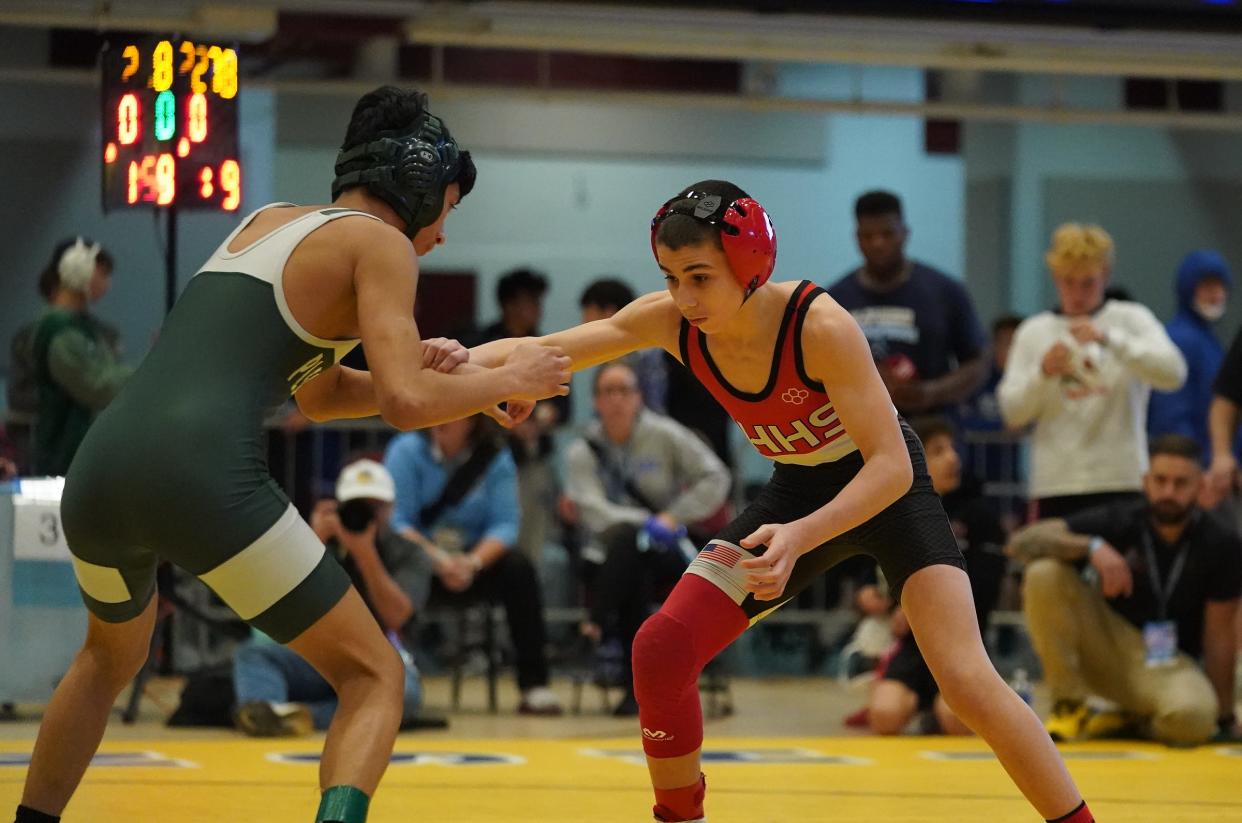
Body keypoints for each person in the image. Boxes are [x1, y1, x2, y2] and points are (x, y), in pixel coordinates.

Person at [13, 86, 571, 823]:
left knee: (106, 659)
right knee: (374, 675)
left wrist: (431, 373)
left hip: (102, 468)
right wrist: (504, 379)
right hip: (203, 476)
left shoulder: (265, 220)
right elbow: (406, 404)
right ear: (418, 185)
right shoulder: (385, 246)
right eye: (449, 208)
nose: (441, 235)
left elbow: (319, 394)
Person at [470, 180, 1095, 823]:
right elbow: (546, 350)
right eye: (671, 277)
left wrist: (801, 535)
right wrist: (452, 362)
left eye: (699, 277)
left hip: (887, 491)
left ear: (749, 266)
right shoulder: (671, 320)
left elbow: (889, 467)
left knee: (966, 681)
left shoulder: (820, 326)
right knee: (660, 651)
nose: (684, 298)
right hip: (798, 488)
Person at [1007, 434, 1241, 746]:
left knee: (1193, 719)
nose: (1168, 492)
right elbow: (1021, 542)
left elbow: (1219, 636)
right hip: (1106, 643)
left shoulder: (1221, 542)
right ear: (1146, 482)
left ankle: (1130, 719)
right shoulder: (1120, 519)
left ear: (1200, 486)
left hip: (1169, 663)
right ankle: (1069, 702)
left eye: (1181, 483)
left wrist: (1223, 717)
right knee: (1044, 572)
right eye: (1160, 480)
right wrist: (1091, 546)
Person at [567, 360, 731, 716]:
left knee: (634, 557)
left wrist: (676, 516)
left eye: (624, 390)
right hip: (605, 554)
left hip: (666, 548)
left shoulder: (665, 434)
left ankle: (596, 625)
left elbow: (716, 477)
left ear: (639, 397)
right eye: (607, 392)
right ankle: (642, 690)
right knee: (629, 557)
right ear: (595, 401)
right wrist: (646, 520)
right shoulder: (582, 450)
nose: (616, 400)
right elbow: (594, 512)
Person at [998, 223, 1186, 520]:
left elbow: (1174, 374)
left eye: (1088, 283)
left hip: (1121, 478)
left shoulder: (1131, 319)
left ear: (1106, 275)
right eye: (1067, 282)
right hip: (1056, 483)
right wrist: (1043, 373)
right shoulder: (1034, 331)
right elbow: (1011, 412)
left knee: (1123, 566)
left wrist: (1111, 340)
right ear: (1055, 277)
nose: (1077, 293)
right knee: (1048, 568)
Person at [232, 459, 431, 736]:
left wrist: (365, 554)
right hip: (320, 654)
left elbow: (397, 616)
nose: (366, 515)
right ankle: (267, 709)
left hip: (379, 658)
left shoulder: (410, 553)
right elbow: (279, 607)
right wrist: (312, 542)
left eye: (375, 508)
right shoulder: (317, 544)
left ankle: (294, 715)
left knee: (404, 693)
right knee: (253, 655)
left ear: (390, 509)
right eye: (356, 506)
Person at [384, 414, 564, 715]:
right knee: (385, 567)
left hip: (475, 561)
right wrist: (438, 560)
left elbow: (505, 525)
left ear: (471, 419)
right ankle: (386, 675)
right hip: (420, 559)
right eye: (437, 406)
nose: (442, 416)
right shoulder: (404, 450)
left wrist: (472, 563)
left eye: (453, 408)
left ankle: (535, 685)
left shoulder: (494, 456)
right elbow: (397, 522)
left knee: (519, 568)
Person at [866, 416, 1007, 737]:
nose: (953, 458)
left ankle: (937, 707)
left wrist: (920, 607)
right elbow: (873, 568)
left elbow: (986, 587)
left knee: (956, 721)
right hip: (913, 646)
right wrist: (880, 601)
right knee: (885, 716)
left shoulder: (979, 514)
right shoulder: (897, 511)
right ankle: (915, 701)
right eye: (938, 451)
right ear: (914, 458)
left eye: (952, 448)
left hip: (964, 643)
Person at [827, 190, 989, 418]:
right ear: (857, 238)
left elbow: (978, 364)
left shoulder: (945, 291)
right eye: (868, 236)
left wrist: (930, 393)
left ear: (904, 233)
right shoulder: (834, 300)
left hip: (932, 430)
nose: (878, 244)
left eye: (887, 234)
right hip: (860, 434)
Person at [22, 237, 130, 476]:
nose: (107, 283)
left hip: (84, 457)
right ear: (81, 271)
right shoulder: (59, 331)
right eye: (102, 273)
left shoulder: (84, 328)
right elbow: (96, 385)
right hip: (64, 458)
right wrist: (149, 370)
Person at [1148, 250, 1233, 462]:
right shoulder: (1179, 340)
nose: (1215, 294)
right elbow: (1170, 415)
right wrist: (1190, 465)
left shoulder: (1211, 341)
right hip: (1194, 472)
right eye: (1207, 287)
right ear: (1188, 290)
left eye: (1220, 286)